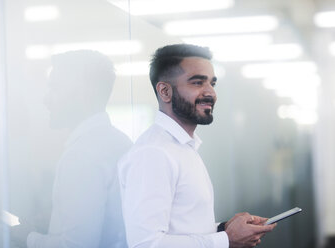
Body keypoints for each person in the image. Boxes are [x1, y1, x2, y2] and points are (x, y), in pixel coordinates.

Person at [118, 44, 276, 248]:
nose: (211, 93)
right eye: (198, 82)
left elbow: (185, 228)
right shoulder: (153, 153)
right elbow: (146, 244)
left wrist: (225, 229)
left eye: (212, 83)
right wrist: (227, 240)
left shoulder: (183, 147)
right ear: (165, 91)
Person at [11, 50, 132, 248]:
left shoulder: (81, 155)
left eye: (55, 88)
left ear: (85, 92)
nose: (46, 99)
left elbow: (76, 245)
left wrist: (27, 237)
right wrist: (59, 220)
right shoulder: (121, 142)